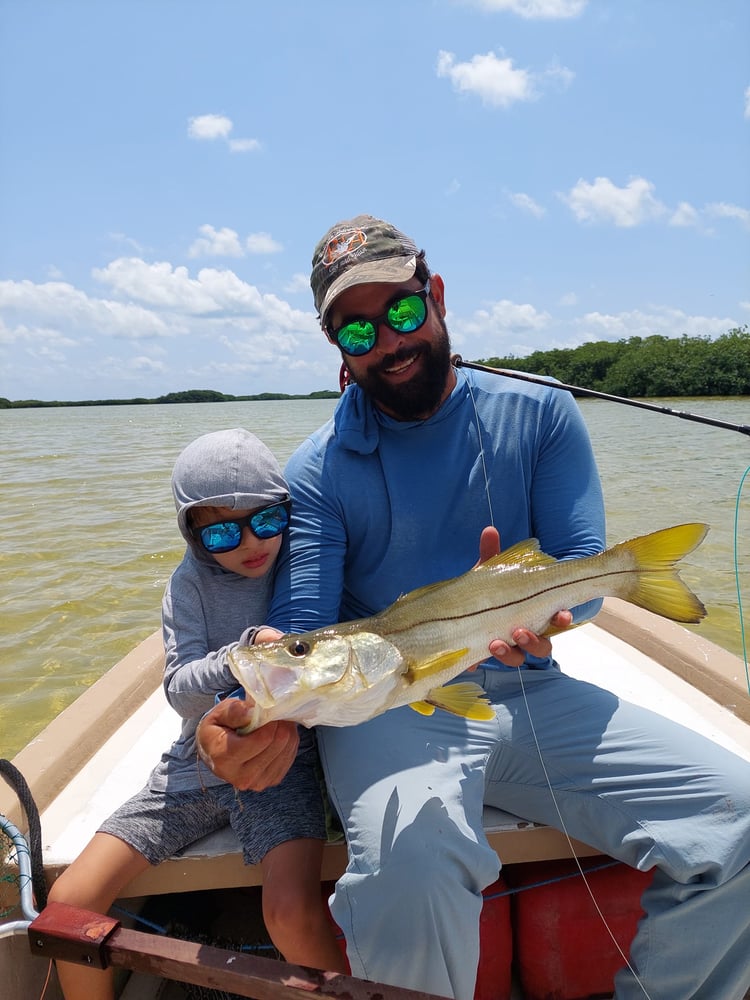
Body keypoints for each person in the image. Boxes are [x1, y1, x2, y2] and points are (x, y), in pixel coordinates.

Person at [196, 216, 750, 1000]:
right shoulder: (317, 470)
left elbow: (581, 575)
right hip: (389, 706)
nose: (388, 340)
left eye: (400, 310)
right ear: (337, 347)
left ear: (438, 295)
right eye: (358, 328)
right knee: (408, 868)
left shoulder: (543, 414)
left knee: (745, 817)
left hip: (531, 686)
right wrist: (238, 716)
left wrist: (541, 616)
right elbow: (304, 631)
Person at [48, 428, 346, 1000]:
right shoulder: (186, 586)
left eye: (264, 521)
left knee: (289, 914)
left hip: (279, 764)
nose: (249, 544)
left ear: (285, 513)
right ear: (191, 531)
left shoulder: (304, 565)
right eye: (221, 531)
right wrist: (239, 657)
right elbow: (181, 690)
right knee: (69, 903)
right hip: (193, 770)